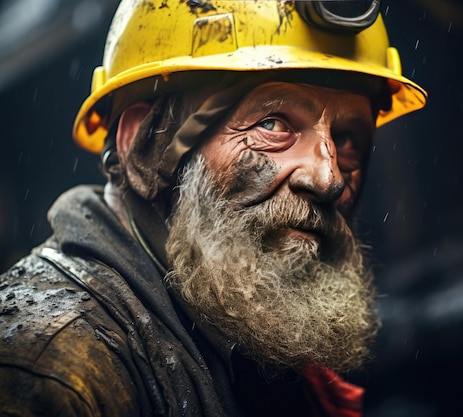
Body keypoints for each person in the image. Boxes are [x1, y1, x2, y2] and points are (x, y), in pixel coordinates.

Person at [0, 1, 426, 416]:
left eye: (348, 139)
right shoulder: (47, 369)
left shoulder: (256, 340)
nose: (328, 178)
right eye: (273, 124)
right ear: (147, 145)